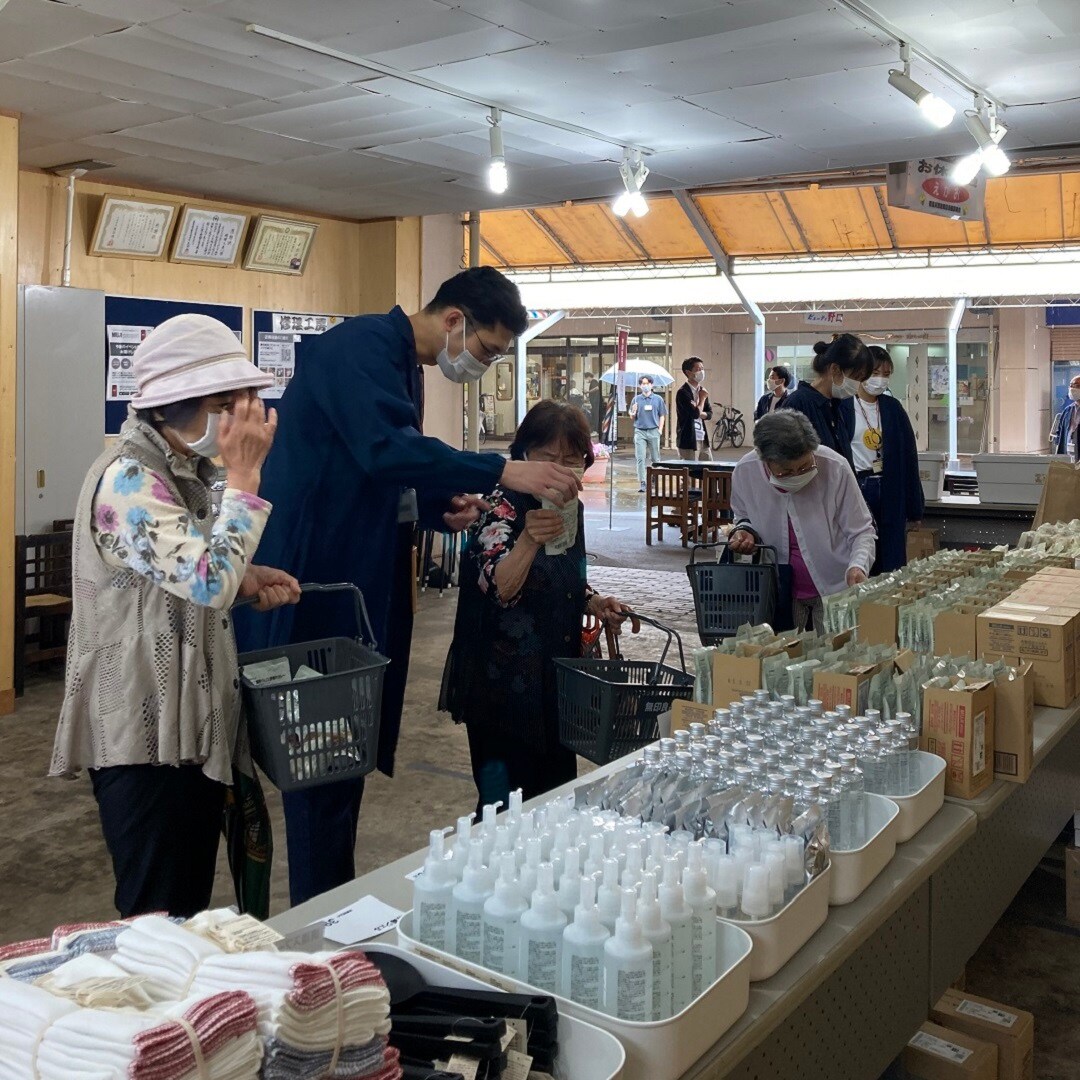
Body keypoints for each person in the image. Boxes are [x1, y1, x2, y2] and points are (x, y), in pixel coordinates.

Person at [235, 266, 583, 907]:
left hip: (356, 577)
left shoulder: (401, 363)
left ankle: (330, 908)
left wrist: (432, 508)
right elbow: (382, 451)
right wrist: (503, 469)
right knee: (320, 764)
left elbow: (380, 471)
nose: (482, 364)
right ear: (455, 320)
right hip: (309, 581)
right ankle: (320, 920)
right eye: (487, 351)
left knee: (342, 763)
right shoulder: (358, 347)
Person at [50, 314, 301, 918]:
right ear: (171, 406)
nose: (241, 418)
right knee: (156, 917)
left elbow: (196, 574)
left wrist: (244, 582)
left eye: (247, 401)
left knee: (185, 900)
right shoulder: (129, 480)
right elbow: (207, 579)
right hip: (145, 737)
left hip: (185, 723)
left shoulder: (181, 469)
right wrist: (244, 479)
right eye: (227, 403)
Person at [440, 401, 634, 810]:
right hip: (501, 685)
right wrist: (528, 540)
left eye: (571, 459)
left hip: (554, 679)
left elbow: (562, 578)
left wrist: (594, 601)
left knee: (555, 798)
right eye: (549, 459)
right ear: (524, 456)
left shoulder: (570, 507)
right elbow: (499, 589)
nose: (561, 471)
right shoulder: (499, 505)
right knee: (502, 807)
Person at [728, 411, 876, 633]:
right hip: (779, 589)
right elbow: (742, 515)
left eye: (805, 466)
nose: (797, 474)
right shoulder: (745, 471)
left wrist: (858, 566)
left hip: (835, 585)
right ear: (765, 460)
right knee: (785, 658)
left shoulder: (835, 467)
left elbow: (862, 530)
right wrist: (744, 531)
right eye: (786, 471)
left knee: (835, 655)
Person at [840, 346, 924, 573]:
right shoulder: (843, 407)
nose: (880, 379)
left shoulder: (893, 408)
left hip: (889, 486)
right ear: (861, 372)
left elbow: (909, 457)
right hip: (858, 485)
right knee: (859, 546)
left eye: (886, 374)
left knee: (891, 554)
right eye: (876, 372)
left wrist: (915, 508)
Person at [778, 334, 872, 466]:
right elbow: (785, 460)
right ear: (835, 369)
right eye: (856, 377)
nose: (857, 385)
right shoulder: (798, 404)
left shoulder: (835, 405)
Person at [630, 376, 666, 491]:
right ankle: (643, 481)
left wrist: (660, 429)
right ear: (640, 386)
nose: (645, 385)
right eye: (643, 383)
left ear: (651, 385)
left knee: (655, 458)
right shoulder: (636, 399)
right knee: (640, 457)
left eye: (647, 383)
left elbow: (662, 415)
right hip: (640, 431)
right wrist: (633, 411)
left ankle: (654, 477)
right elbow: (632, 416)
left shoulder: (658, 399)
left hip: (653, 430)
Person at [675, 356, 714, 461]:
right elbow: (695, 414)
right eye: (698, 369)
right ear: (688, 372)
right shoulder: (683, 392)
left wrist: (700, 411)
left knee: (709, 470)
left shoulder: (702, 390)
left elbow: (709, 414)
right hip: (689, 439)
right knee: (689, 472)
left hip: (702, 437)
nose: (701, 372)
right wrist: (702, 399)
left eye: (702, 369)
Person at [1054, 373, 1080, 460]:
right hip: (1068, 455)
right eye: (1071, 386)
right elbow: (1060, 433)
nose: (1072, 389)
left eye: (1076, 386)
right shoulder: (1067, 410)